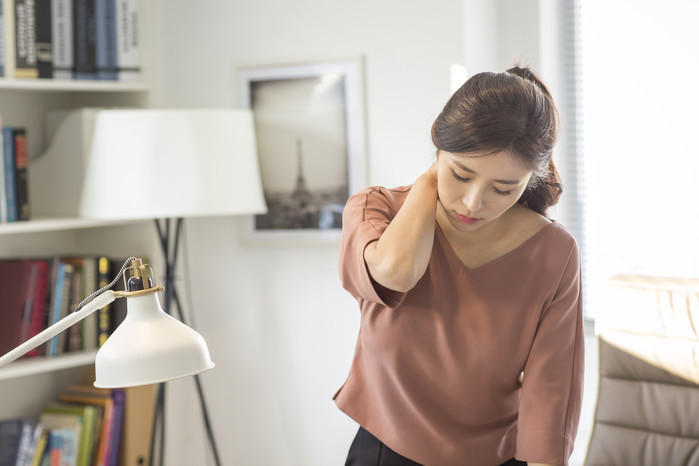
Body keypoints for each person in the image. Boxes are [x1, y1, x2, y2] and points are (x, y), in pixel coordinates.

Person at [334, 66, 584, 466]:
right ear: (438, 149)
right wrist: (428, 183)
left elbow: (551, 391)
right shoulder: (376, 210)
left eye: (503, 189)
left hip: (496, 458)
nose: (473, 203)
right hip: (385, 451)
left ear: (529, 182)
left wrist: (449, 167)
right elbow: (396, 273)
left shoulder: (554, 252)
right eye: (461, 175)